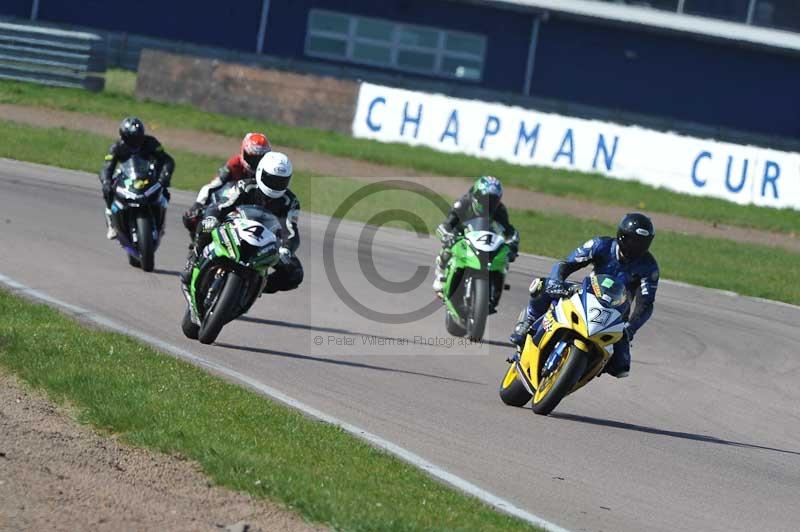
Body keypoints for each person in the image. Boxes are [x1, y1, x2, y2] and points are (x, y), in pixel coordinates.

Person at [509, 213, 660, 378]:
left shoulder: (649, 267)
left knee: (621, 367)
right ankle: (529, 321)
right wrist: (556, 281)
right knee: (543, 285)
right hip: (588, 295)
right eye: (633, 241)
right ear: (622, 236)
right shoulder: (600, 245)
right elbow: (566, 264)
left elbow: (646, 303)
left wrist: (631, 328)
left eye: (642, 243)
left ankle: (584, 369)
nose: (636, 247)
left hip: (617, 313)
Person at [182, 151, 303, 294]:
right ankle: (193, 260)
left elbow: (291, 232)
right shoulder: (245, 186)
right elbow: (220, 206)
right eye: (271, 179)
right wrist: (212, 218)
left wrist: (287, 249)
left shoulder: (291, 202)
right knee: (207, 223)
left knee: (295, 273)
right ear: (260, 172)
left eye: (281, 181)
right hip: (234, 230)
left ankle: (257, 287)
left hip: (265, 243)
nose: (275, 185)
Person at [432, 175, 519, 293]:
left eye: (494, 200)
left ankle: (497, 283)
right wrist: (448, 236)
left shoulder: (500, 210)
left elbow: (510, 231)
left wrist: (512, 244)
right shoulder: (463, 203)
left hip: (486, 237)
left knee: (504, 255)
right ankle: (441, 275)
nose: (490, 204)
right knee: (447, 249)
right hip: (462, 234)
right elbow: (445, 225)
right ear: (476, 196)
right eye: (486, 198)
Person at [182, 132, 272, 236]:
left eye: (260, 159)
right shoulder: (234, 164)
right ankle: (199, 244)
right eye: (252, 158)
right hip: (229, 202)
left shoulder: (269, 171)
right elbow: (212, 186)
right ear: (243, 152)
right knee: (192, 218)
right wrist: (197, 205)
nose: (256, 163)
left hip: (254, 208)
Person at [100, 117, 175, 239]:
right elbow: (107, 167)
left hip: (148, 175)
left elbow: (167, 160)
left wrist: (165, 176)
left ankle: (160, 222)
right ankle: (111, 222)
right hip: (127, 177)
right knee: (108, 190)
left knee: (165, 192)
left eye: (138, 138)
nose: (136, 142)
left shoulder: (151, 143)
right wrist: (106, 181)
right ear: (124, 137)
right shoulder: (117, 147)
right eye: (132, 139)